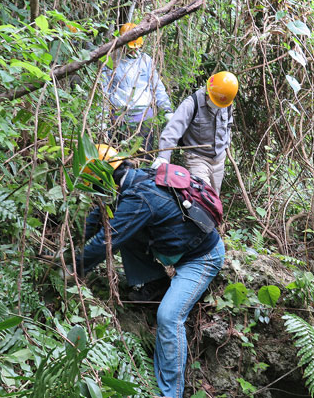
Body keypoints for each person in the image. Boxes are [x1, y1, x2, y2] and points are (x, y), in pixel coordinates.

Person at [72, 153, 225, 398]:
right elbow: (100, 219)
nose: (94, 194)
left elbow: (106, 240)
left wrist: (72, 267)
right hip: (179, 250)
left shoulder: (141, 196)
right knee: (126, 229)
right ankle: (156, 284)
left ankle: (170, 393)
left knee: (169, 317)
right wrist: (68, 241)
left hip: (201, 258)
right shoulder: (137, 178)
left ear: (104, 180)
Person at [152, 71, 238, 194]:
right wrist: (163, 157)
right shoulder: (192, 103)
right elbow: (173, 130)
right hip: (197, 159)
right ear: (208, 91)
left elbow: (228, 125)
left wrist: (226, 143)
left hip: (219, 160)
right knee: (203, 198)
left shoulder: (225, 102)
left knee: (214, 200)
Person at [100, 22, 173, 157]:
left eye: (136, 47)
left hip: (144, 121)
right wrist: (102, 120)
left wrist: (166, 109)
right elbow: (103, 91)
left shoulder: (146, 60)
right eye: (130, 48)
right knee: (119, 160)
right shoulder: (112, 61)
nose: (134, 50)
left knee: (143, 158)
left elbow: (157, 88)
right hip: (119, 120)